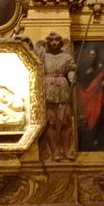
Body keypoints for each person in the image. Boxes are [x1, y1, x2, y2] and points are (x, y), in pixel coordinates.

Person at [36, 32, 77, 162]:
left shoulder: (65, 57)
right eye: (51, 41)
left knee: (65, 120)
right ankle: (54, 151)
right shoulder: (44, 57)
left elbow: (70, 68)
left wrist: (71, 77)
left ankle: (66, 150)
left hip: (62, 88)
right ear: (48, 43)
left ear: (60, 42)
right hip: (48, 88)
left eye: (56, 40)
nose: (54, 43)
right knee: (51, 122)